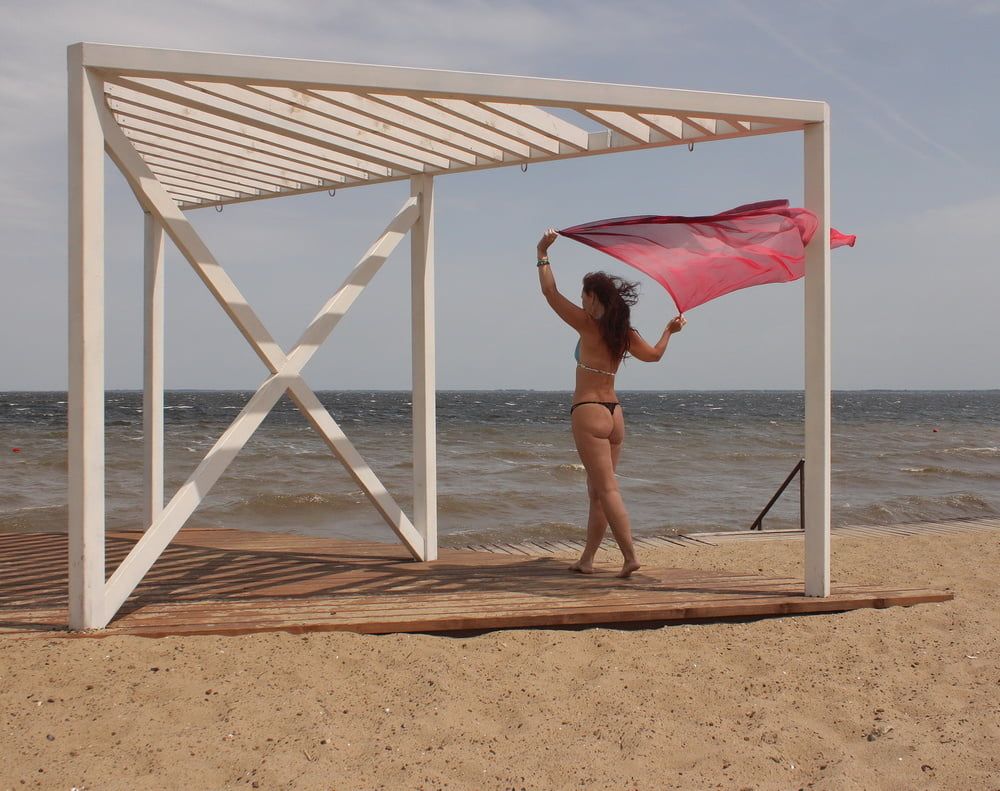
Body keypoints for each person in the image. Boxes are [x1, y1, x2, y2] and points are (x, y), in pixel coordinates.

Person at [536, 228, 686, 577]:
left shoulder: (588, 326)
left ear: (592, 298)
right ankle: (587, 560)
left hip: (588, 411)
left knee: (605, 488)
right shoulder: (624, 333)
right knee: (596, 491)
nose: (581, 300)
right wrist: (669, 331)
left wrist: (542, 252)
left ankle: (630, 556)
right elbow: (654, 357)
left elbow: (549, 291)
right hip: (615, 415)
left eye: (583, 295)